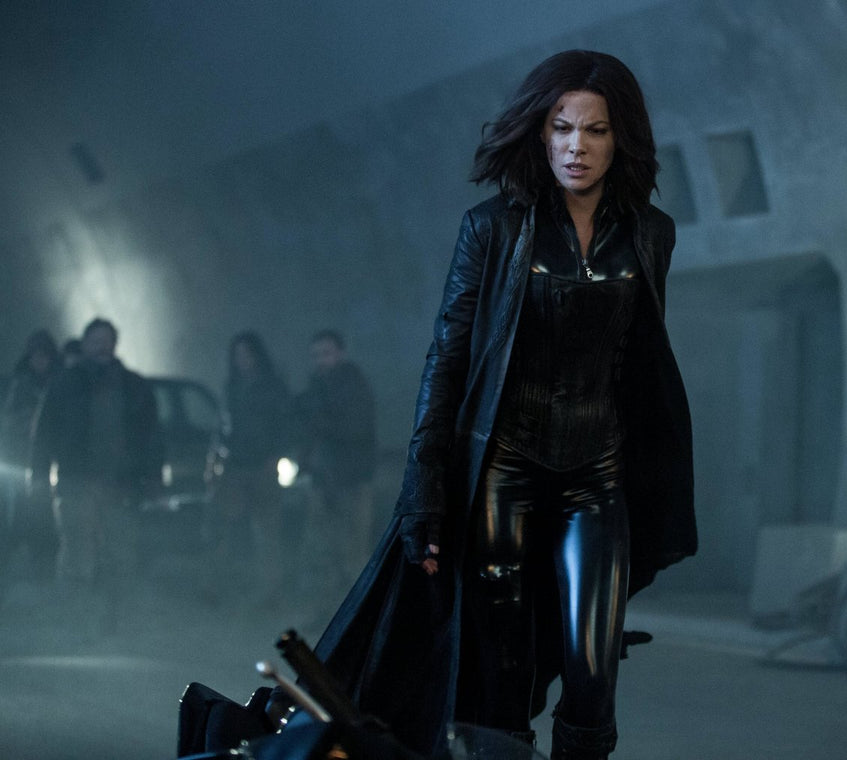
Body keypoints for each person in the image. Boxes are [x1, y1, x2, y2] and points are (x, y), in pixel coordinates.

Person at [306, 50, 695, 760]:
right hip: (503, 473)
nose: (577, 147)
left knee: (592, 673)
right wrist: (424, 489)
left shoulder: (652, 233)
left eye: (596, 130)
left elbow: (639, 363)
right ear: (539, 132)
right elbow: (447, 359)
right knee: (499, 674)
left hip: (597, 474)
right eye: (562, 128)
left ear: (621, 139)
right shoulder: (493, 227)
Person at [29, 317, 163, 631]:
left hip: (120, 483)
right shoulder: (65, 384)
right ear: (86, 344)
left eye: (107, 340)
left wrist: (153, 477)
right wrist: (38, 475)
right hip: (76, 481)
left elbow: (151, 436)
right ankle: (74, 622)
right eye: (96, 340)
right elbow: (45, 432)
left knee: (120, 555)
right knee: (77, 554)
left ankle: (117, 622)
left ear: (115, 344)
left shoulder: (133, 386)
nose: (102, 346)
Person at [294, 329, 377, 602]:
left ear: (340, 353)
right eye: (316, 355)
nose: (321, 360)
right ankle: (328, 607)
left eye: (326, 353)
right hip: (323, 480)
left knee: (353, 550)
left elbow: (355, 429)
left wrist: (320, 420)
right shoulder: (316, 387)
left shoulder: (353, 385)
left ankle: (362, 608)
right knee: (322, 549)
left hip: (351, 480)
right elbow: (307, 431)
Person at [212, 331, 290, 605]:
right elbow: (224, 426)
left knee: (266, 530)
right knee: (229, 526)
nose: (242, 360)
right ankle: (227, 587)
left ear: (257, 356)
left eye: (247, 354)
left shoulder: (272, 387)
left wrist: (274, 457)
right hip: (236, 466)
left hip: (262, 466)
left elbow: (284, 424)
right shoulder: (232, 387)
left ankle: (270, 589)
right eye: (238, 355)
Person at [0, 329, 62, 581]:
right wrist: (29, 421)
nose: (40, 361)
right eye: (36, 356)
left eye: (44, 356)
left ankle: (47, 554)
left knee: (50, 509)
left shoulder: (60, 383)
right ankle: (29, 553)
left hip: (53, 458)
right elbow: (8, 419)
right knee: (23, 508)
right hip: (23, 457)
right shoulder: (21, 384)